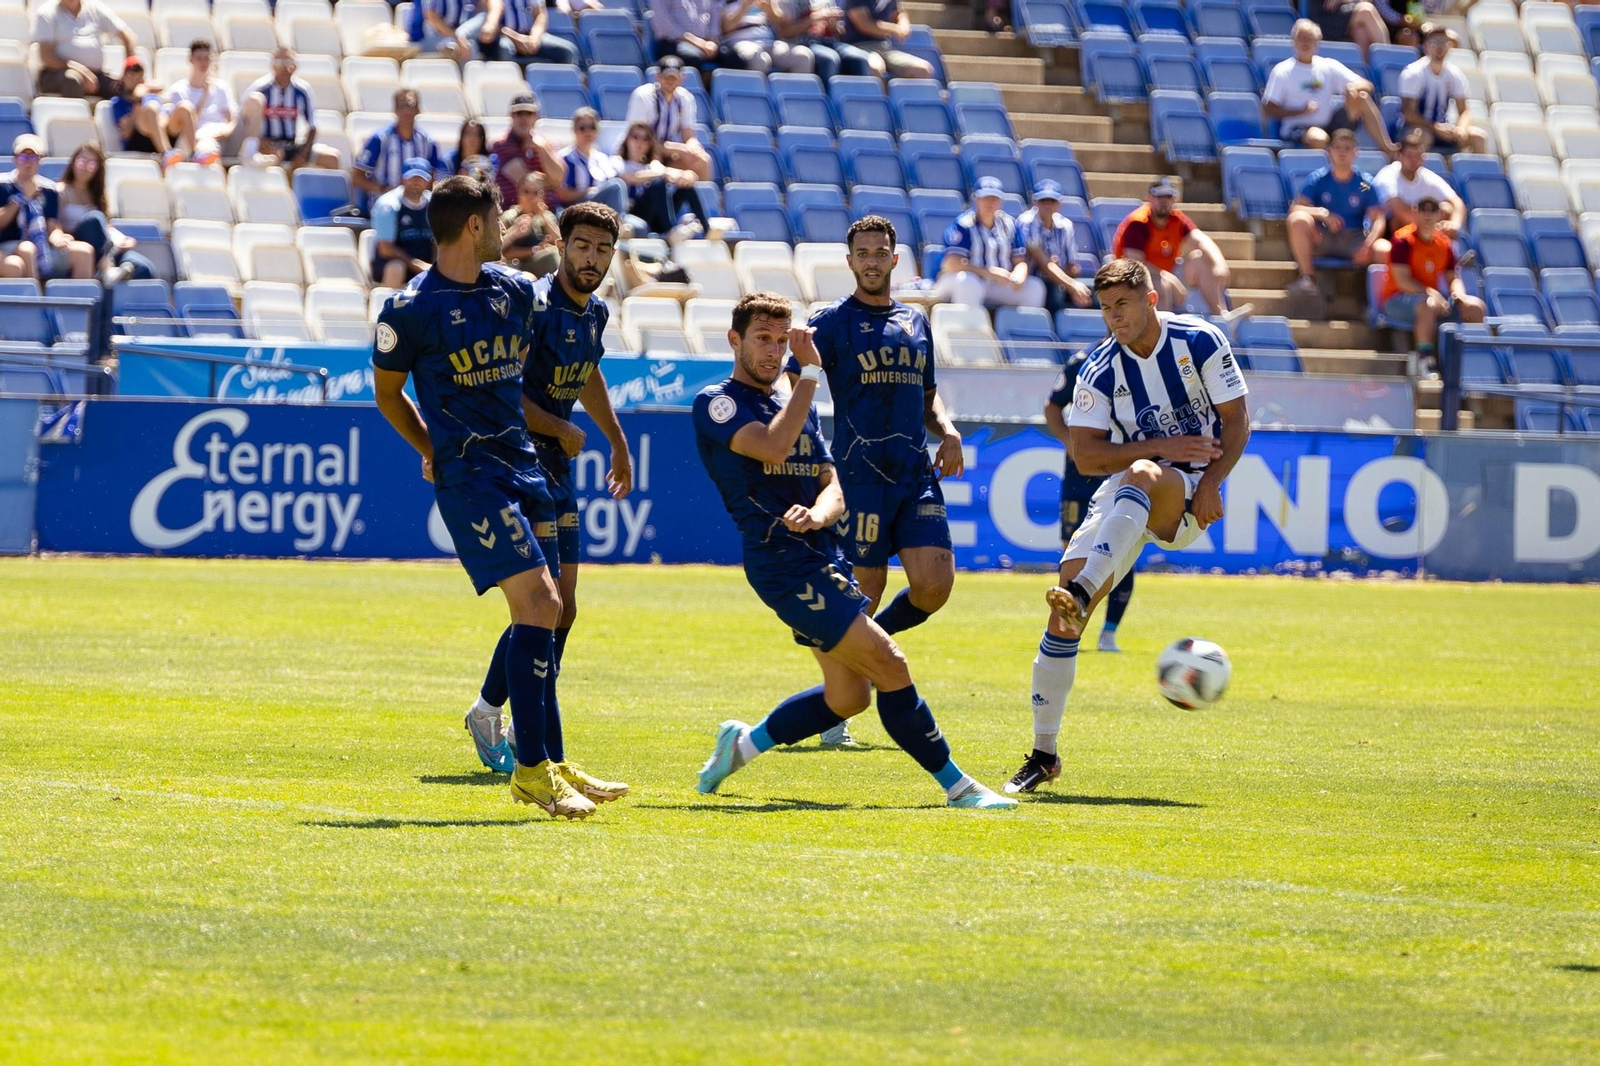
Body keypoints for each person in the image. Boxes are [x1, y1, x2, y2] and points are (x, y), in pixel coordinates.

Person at [690, 291, 1016, 810]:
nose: (774, 352)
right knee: (891, 663)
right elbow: (772, 446)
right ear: (735, 340)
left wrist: (819, 514)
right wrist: (813, 375)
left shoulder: (792, 406)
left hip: (824, 553)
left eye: (780, 340)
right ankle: (959, 787)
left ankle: (741, 746)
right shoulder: (717, 401)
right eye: (762, 339)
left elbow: (834, 485)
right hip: (782, 563)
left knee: (849, 698)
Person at [371, 174, 627, 818]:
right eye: (499, 215)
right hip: (472, 477)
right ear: (477, 226)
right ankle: (530, 769)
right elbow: (386, 396)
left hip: (527, 471)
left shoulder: (514, 291)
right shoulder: (408, 309)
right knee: (541, 603)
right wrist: (430, 447)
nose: (511, 223)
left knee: (549, 609)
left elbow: (568, 340)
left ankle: (548, 760)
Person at [1007, 258, 1250, 795]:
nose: (1113, 317)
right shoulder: (1098, 369)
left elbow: (1237, 419)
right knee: (1063, 625)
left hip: (1185, 499)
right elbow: (1085, 454)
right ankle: (1044, 755)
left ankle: (1085, 589)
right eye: (1105, 308)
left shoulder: (1202, 341)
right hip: (1125, 493)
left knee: (1135, 481)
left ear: (1151, 300)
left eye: (1123, 304)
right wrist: (1161, 447)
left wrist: (1212, 482)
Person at [779, 215, 960, 746]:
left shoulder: (916, 322)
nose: (873, 260)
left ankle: (872, 644)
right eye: (864, 252)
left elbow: (928, 396)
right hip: (859, 475)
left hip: (915, 473)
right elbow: (796, 383)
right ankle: (838, 710)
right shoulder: (831, 321)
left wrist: (947, 431)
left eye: (882, 252)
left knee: (934, 584)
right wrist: (805, 452)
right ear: (850, 259)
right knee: (867, 590)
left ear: (895, 259)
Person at [495, 201, 632, 767]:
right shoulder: (536, 306)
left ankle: (510, 722)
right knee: (543, 606)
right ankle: (511, 729)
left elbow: (590, 373)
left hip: (559, 463)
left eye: (603, 250)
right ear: (563, 245)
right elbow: (504, 389)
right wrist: (558, 426)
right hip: (523, 463)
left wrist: (617, 442)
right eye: (582, 245)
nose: (591, 258)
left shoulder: (593, 314)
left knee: (565, 609)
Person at [1044, 350, 1133, 658]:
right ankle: (1070, 625)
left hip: (1121, 469)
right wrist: (1071, 442)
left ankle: (1108, 631)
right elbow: (1052, 407)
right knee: (1074, 549)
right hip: (1079, 474)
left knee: (1120, 548)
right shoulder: (1085, 360)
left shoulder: (1144, 360)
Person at [1262, 20, 1396, 156]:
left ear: (1317, 42)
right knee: (1319, 138)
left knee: (1361, 98)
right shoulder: (1282, 71)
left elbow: (1367, 85)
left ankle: (1388, 149)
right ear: (1294, 41)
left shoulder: (1327, 66)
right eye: (1301, 38)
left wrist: (1353, 88)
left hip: (1329, 123)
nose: (1305, 43)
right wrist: (1299, 111)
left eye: (1309, 38)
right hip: (1298, 127)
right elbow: (1268, 109)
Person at [1377, 196, 1484, 361]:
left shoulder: (1444, 244)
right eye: (1422, 210)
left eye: (1432, 210)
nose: (1427, 215)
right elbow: (1403, 281)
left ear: (1439, 214)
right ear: (1415, 212)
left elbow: (1452, 277)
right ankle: (1426, 361)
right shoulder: (1402, 241)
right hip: (1396, 299)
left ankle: (1474, 361)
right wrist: (1433, 294)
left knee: (1475, 307)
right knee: (1428, 305)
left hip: (1433, 298)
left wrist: (1459, 295)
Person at [1286, 128, 1389, 296]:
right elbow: (1295, 208)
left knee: (1384, 249)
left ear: (1355, 153)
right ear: (1329, 152)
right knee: (1297, 220)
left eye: (1347, 149)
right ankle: (1307, 279)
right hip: (1323, 236)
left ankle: (1379, 300)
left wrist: (1369, 243)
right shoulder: (1318, 179)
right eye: (1338, 148)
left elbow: (1378, 218)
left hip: (1354, 240)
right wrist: (1321, 213)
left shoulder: (1365, 183)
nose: (1342, 153)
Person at [1112, 179, 1234, 316]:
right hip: (1137, 278)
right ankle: (1163, 329)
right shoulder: (1138, 223)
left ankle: (1221, 316)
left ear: (1174, 199)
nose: (1163, 201)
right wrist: (1166, 277)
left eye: (1168, 197)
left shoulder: (1176, 220)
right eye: (1159, 196)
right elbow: (1134, 265)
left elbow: (1202, 240)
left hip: (1169, 271)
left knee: (1201, 260)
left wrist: (1219, 263)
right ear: (1150, 198)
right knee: (1161, 285)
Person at [935, 176, 1046, 309]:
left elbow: (1020, 260)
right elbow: (953, 263)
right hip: (959, 281)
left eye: (994, 198)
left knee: (1035, 287)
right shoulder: (964, 225)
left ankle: (1020, 328)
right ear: (976, 199)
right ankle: (968, 328)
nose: (990, 203)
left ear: (1000, 201)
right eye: (985, 198)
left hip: (997, 284)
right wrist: (988, 272)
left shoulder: (1008, 224)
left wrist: (1019, 274)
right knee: (968, 282)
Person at [56, 141, 156, 284]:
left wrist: (122, 238)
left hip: (105, 248)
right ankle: (106, 270)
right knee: (94, 218)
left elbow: (106, 227)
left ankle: (111, 287)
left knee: (144, 268)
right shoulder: (61, 191)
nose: (85, 167)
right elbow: (55, 224)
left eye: (91, 164)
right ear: (73, 162)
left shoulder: (97, 195)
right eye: (81, 161)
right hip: (78, 242)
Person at [0, 134, 97, 281]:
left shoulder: (49, 190)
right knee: (27, 249)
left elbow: (53, 225)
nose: (28, 163)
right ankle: (37, 301)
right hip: (8, 246)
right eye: (22, 157)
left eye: (33, 158)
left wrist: (58, 238)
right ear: (15, 159)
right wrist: (20, 200)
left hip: (42, 246)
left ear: (40, 161)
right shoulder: (3, 185)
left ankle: (78, 301)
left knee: (84, 252)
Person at [1394, 24, 1486, 155]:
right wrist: (1435, 127)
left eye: (1444, 42)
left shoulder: (1455, 74)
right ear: (1425, 46)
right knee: (1421, 137)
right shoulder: (1413, 73)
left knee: (1478, 137)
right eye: (1435, 42)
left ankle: (1480, 175)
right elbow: (1408, 114)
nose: (1440, 47)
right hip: (1415, 128)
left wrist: (1461, 128)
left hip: (1443, 128)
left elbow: (1465, 111)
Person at [241, 48, 338, 171]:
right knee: (275, 157)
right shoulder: (260, 88)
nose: (284, 68)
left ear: (295, 66)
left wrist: (303, 152)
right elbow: (244, 118)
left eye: (288, 62)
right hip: (267, 144)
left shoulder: (302, 90)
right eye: (279, 63)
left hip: (291, 144)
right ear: (272, 66)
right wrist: (260, 140)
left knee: (331, 158)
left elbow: (312, 126)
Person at [616, 121, 713, 238]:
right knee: (658, 183)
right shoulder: (619, 162)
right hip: (634, 213)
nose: (640, 142)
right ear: (627, 140)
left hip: (655, 216)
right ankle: (671, 231)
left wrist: (685, 175)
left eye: (645, 138)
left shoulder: (652, 164)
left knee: (686, 188)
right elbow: (631, 177)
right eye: (635, 137)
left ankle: (708, 231)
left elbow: (666, 171)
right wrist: (664, 173)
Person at [622, 57, 712, 182]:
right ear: (657, 76)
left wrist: (693, 148)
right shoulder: (643, 96)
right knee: (663, 165)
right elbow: (638, 139)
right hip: (642, 153)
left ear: (681, 78)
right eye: (666, 77)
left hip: (666, 152)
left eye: (673, 78)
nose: (670, 81)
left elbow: (688, 135)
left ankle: (703, 199)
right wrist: (680, 149)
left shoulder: (685, 98)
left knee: (702, 160)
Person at [354, 88, 442, 215]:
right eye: (402, 106)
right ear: (394, 110)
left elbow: (431, 180)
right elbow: (356, 177)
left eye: (411, 105)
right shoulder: (379, 140)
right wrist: (384, 190)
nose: (407, 110)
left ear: (418, 110)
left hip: (417, 210)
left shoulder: (428, 143)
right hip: (383, 209)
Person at [30, 0, 137, 100]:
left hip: (94, 74)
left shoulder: (95, 8)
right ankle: (74, 118)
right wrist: (82, 71)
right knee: (72, 80)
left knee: (122, 89)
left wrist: (130, 70)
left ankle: (127, 119)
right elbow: (46, 56)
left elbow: (127, 37)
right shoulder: (46, 13)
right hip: (57, 73)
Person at [1372, 128, 1464, 238]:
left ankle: (1442, 251)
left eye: (1417, 156)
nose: (1413, 160)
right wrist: (1429, 228)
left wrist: (1455, 224)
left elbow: (1457, 203)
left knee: (1446, 209)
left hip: (1422, 230)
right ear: (1399, 156)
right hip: (1387, 234)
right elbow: (1400, 211)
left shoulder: (1427, 176)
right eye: (1409, 156)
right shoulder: (1387, 176)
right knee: (1397, 220)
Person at [161, 40, 238, 168]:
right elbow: (184, 125)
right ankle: (197, 155)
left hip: (219, 135)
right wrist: (205, 95)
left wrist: (226, 131)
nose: (203, 62)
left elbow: (232, 118)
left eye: (206, 58)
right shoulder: (179, 90)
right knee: (205, 147)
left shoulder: (221, 87)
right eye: (199, 58)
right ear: (191, 60)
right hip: (195, 138)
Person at [1019, 180, 1092, 314]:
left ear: (1059, 203)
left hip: (1061, 280)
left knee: (1094, 294)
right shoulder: (1027, 223)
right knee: (1055, 292)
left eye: (1052, 200)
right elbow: (1042, 262)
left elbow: (1073, 268)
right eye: (1043, 200)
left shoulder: (1065, 225)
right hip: (1033, 280)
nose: (1048, 204)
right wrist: (1071, 285)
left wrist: (1061, 271)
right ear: (1035, 202)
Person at [369, 157, 435, 288]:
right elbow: (385, 248)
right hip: (393, 263)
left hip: (424, 264)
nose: (416, 182)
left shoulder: (434, 205)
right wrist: (416, 265)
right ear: (402, 179)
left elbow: (440, 242)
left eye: (421, 178)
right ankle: (390, 307)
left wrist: (437, 266)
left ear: (428, 181)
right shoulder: (389, 205)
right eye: (411, 177)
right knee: (396, 268)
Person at [491, 94, 564, 211]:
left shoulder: (547, 142)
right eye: (519, 113)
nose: (524, 118)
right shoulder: (501, 143)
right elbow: (527, 182)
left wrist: (542, 148)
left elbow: (559, 177)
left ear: (536, 116)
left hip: (548, 212)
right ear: (511, 116)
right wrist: (551, 182)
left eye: (529, 113)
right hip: (513, 212)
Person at [556, 108, 629, 220]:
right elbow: (562, 194)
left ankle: (621, 223)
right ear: (574, 130)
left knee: (641, 227)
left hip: (603, 209)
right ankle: (619, 224)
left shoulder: (602, 158)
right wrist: (586, 192)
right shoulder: (565, 158)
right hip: (577, 208)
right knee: (616, 186)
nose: (588, 132)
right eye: (582, 128)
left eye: (592, 127)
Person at [456, 0, 582, 65]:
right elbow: (488, 22)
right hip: (501, 37)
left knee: (567, 51)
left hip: (528, 37)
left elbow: (540, 15)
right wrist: (516, 38)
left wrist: (534, 38)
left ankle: (554, 96)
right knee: (505, 49)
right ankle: (509, 92)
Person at [842, 0, 934, 79]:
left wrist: (903, 25)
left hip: (884, 47)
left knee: (923, 70)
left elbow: (899, 13)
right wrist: (895, 29)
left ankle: (899, 98)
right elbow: (864, 24)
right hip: (858, 47)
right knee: (875, 68)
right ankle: (881, 99)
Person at [108, 57, 174, 161]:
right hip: (135, 143)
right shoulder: (118, 103)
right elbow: (126, 133)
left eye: (138, 75)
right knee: (150, 109)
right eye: (131, 75)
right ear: (124, 77)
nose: (135, 79)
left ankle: (191, 154)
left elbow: (163, 121)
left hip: (155, 140)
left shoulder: (150, 96)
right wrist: (137, 102)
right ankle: (166, 154)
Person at [720, 0, 806, 73]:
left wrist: (769, 9)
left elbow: (778, 21)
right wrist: (745, 6)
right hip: (741, 41)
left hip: (767, 41)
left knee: (803, 57)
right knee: (759, 61)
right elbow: (726, 29)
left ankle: (791, 92)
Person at [501, 172, 560, 276]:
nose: (530, 197)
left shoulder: (546, 217)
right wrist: (533, 250)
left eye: (536, 192)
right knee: (551, 256)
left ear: (543, 195)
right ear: (518, 193)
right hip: (518, 267)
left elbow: (560, 242)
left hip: (541, 264)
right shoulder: (510, 217)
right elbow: (502, 251)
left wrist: (545, 220)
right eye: (526, 191)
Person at [649, 0, 724, 74]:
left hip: (705, 42)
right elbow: (663, 23)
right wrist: (697, 42)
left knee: (729, 55)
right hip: (674, 41)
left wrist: (713, 40)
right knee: (692, 58)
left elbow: (714, 13)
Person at [1310, 0, 1390, 62]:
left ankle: (1365, 75)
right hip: (1326, 18)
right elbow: (1329, 6)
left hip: (1345, 11)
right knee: (1366, 11)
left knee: (1361, 32)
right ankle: (1387, 57)